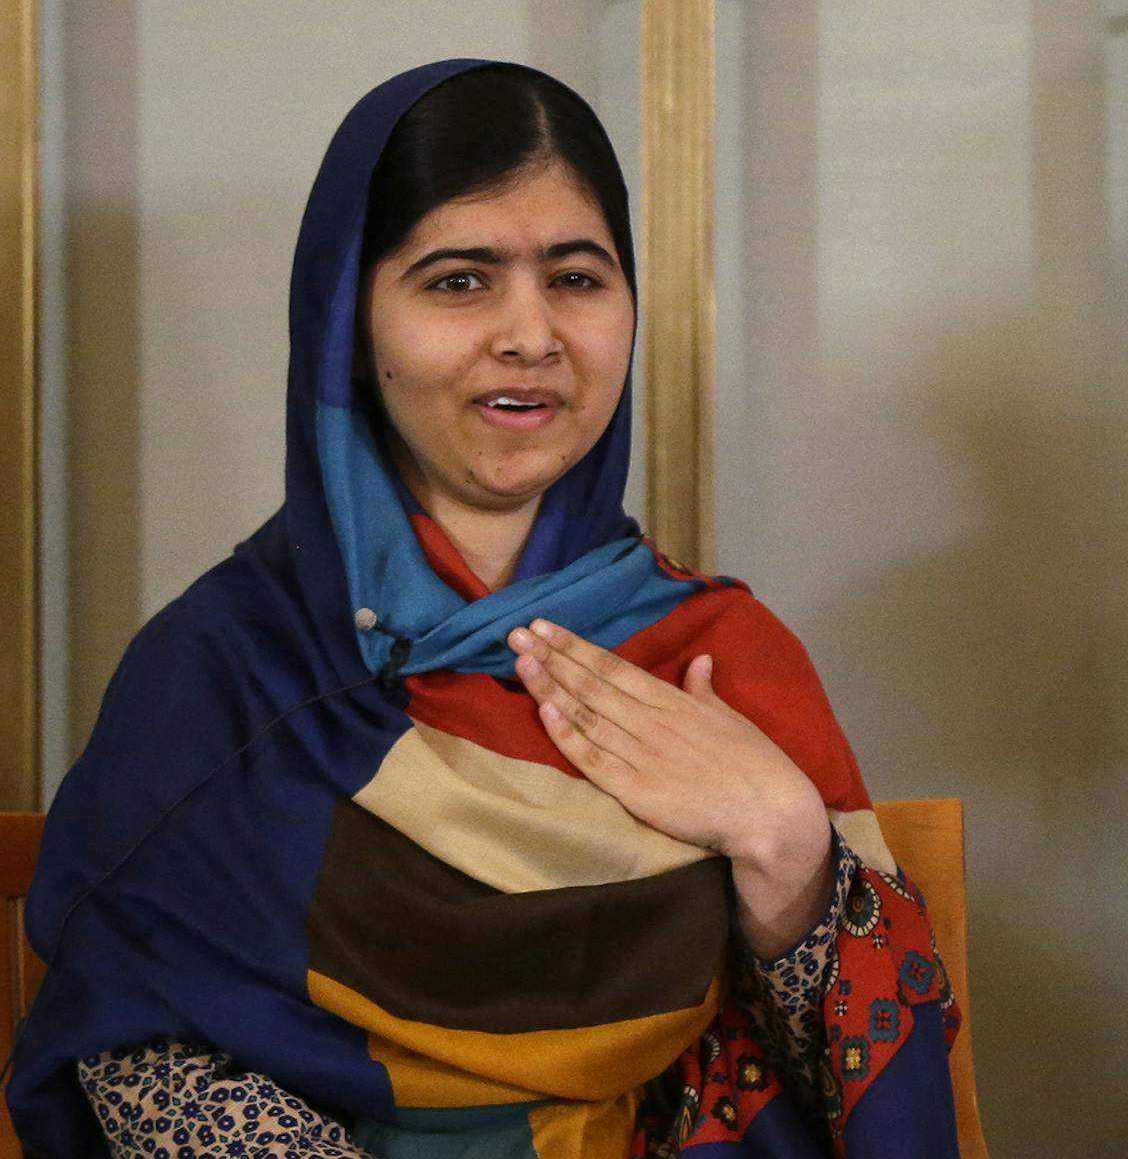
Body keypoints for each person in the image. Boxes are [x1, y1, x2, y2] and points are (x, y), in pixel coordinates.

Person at [8, 61, 962, 1158]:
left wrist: (786, 848)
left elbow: (863, 1093)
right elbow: (136, 1052)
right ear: (349, 329)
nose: (530, 335)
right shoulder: (224, 669)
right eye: (460, 281)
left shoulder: (716, 657)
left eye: (578, 279)